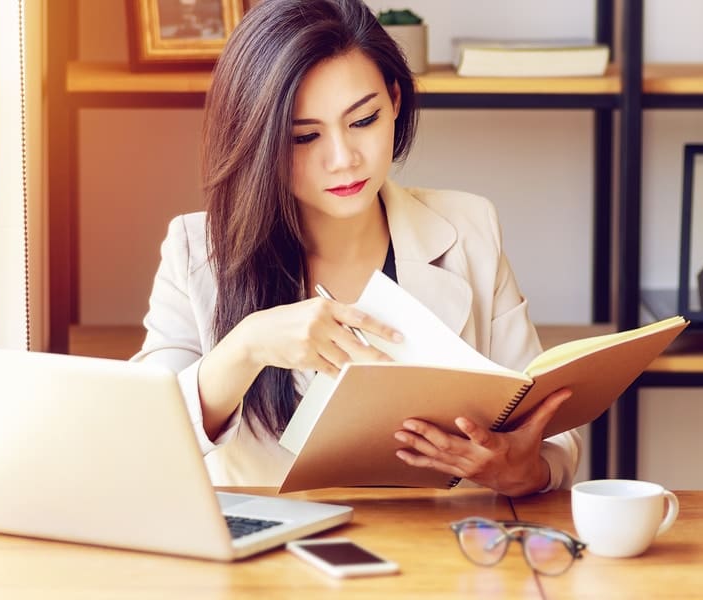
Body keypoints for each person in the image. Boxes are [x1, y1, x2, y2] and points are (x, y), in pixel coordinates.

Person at [133, 0, 581, 496]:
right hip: (269, 564)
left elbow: (549, 433)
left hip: (441, 556)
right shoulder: (196, 251)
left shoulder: (470, 227)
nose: (343, 159)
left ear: (393, 101)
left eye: (363, 120)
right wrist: (246, 346)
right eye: (304, 137)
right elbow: (144, 440)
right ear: (258, 138)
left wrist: (523, 471)